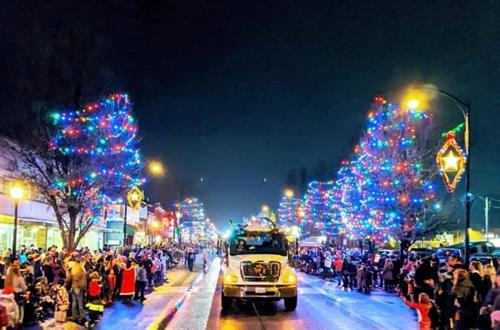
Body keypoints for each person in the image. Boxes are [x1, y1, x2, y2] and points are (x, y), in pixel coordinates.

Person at [67, 257, 87, 324]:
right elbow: (84, 280)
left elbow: (68, 279)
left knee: (74, 302)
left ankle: (74, 316)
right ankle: (82, 316)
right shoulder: (82, 270)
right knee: (80, 303)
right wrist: (83, 287)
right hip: (79, 288)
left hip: (73, 287)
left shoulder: (73, 269)